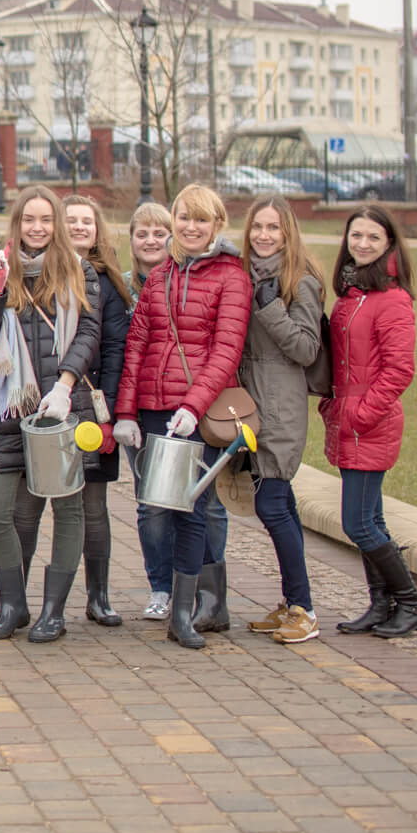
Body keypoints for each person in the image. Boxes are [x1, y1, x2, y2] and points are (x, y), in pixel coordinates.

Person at [112, 183, 251, 650]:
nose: (191, 228)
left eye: (201, 220)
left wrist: (194, 406)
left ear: (217, 226)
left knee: (191, 509)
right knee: (154, 505)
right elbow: (137, 346)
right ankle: (167, 591)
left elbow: (226, 350)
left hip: (195, 410)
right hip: (151, 406)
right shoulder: (160, 276)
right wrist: (126, 411)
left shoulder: (231, 277)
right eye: (185, 219)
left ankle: (187, 613)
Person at [0, 185, 101, 643]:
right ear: (18, 223)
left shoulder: (81, 272)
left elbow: (89, 332)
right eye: (29, 219)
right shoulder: (5, 273)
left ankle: (54, 610)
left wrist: (65, 386)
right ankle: (13, 604)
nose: (38, 227)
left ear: (59, 225)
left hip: (63, 408)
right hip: (12, 407)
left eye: (47, 219)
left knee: (68, 511)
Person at [9, 194, 131, 628]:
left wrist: (110, 412)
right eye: (72, 220)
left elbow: (114, 347)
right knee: (28, 507)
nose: (79, 227)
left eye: (87, 221)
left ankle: (97, 596)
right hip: (39, 405)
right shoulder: (33, 272)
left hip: (89, 405)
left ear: (97, 230)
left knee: (88, 507)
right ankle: (15, 600)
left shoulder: (101, 280)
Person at [323, 204, 417, 638]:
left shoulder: (393, 299)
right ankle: (382, 605)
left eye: (373, 238)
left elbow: (399, 369)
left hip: (371, 423)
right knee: (372, 520)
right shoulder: (352, 295)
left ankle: (411, 604)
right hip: (349, 421)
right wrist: (334, 409)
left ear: (389, 245)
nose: (362, 244)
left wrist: (361, 414)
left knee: (358, 524)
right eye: (356, 236)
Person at [238, 194, 326, 645]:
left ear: (287, 232)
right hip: (247, 405)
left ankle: (305, 610)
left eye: (273, 228)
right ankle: (293, 600)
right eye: (258, 227)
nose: (264, 236)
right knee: (281, 504)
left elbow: (306, 349)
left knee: (271, 505)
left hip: (281, 408)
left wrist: (270, 307)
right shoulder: (242, 274)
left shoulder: (301, 282)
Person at [124, 201, 182, 619]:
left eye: (159, 232)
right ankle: (160, 586)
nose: (150, 240)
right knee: (151, 500)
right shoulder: (121, 286)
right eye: (142, 233)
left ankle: (200, 585)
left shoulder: (186, 282)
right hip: (138, 406)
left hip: (184, 402)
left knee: (199, 500)